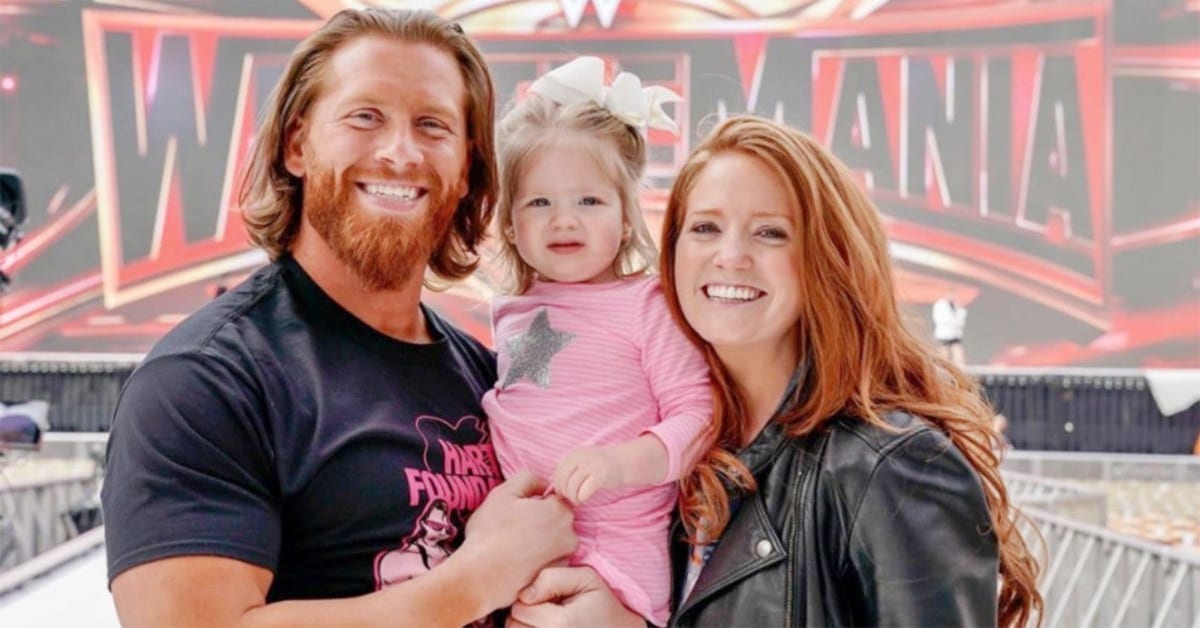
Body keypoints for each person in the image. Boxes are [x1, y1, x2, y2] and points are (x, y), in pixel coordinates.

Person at [100, 9, 576, 626]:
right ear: (298, 145)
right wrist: (474, 581)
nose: (400, 153)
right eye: (365, 117)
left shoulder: (490, 380)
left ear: (465, 172)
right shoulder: (205, 382)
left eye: (432, 125)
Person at [509, 116, 1043, 627]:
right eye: (705, 228)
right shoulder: (683, 461)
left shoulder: (889, 467)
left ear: (827, 259)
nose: (731, 255)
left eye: (769, 233)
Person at [482, 56, 709, 626]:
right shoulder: (508, 312)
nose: (565, 221)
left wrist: (619, 464)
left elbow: (699, 415)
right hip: (520, 549)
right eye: (540, 202)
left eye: (589, 201)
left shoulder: (646, 305)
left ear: (626, 219)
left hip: (614, 555)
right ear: (510, 223)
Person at [932, 289, 968, 365]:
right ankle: (944, 365)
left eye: (953, 295)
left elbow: (961, 317)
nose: (952, 296)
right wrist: (951, 322)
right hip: (944, 332)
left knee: (957, 350)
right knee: (944, 351)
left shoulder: (957, 305)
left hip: (955, 332)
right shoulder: (940, 305)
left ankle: (960, 368)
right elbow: (937, 318)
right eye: (950, 294)